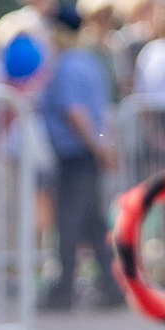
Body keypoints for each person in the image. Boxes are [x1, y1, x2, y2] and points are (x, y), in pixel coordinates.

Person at [37, 23, 121, 310]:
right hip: (88, 153)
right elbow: (98, 114)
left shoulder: (66, 67)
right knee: (94, 225)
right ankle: (111, 289)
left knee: (70, 224)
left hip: (75, 155)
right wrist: (102, 146)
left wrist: (98, 147)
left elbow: (78, 114)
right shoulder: (89, 63)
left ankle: (65, 290)